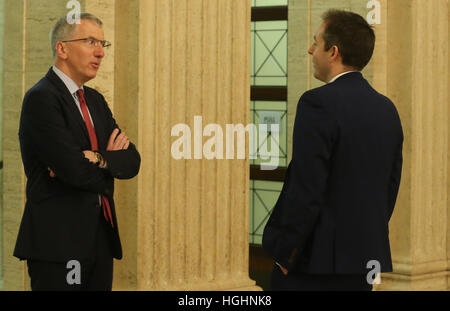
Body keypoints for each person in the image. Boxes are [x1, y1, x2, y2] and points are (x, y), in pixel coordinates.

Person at [262, 9, 403, 291]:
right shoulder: (386, 108)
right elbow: (390, 186)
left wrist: (287, 254)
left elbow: (306, 187)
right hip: (363, 260)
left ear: (333, 52)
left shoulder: (317, 102)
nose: (310, 49)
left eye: (316, 42)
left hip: (315, 262)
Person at [13, 13, 140, 291]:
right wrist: (106, 167)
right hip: (60, 246)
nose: (100, 52)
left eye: (103, 44)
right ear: (62, 48)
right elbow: (73, 171)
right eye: (90, 41)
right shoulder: (42, 98)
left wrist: (96, 157)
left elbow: (131, 161)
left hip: (100, 240)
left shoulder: (94, 100)